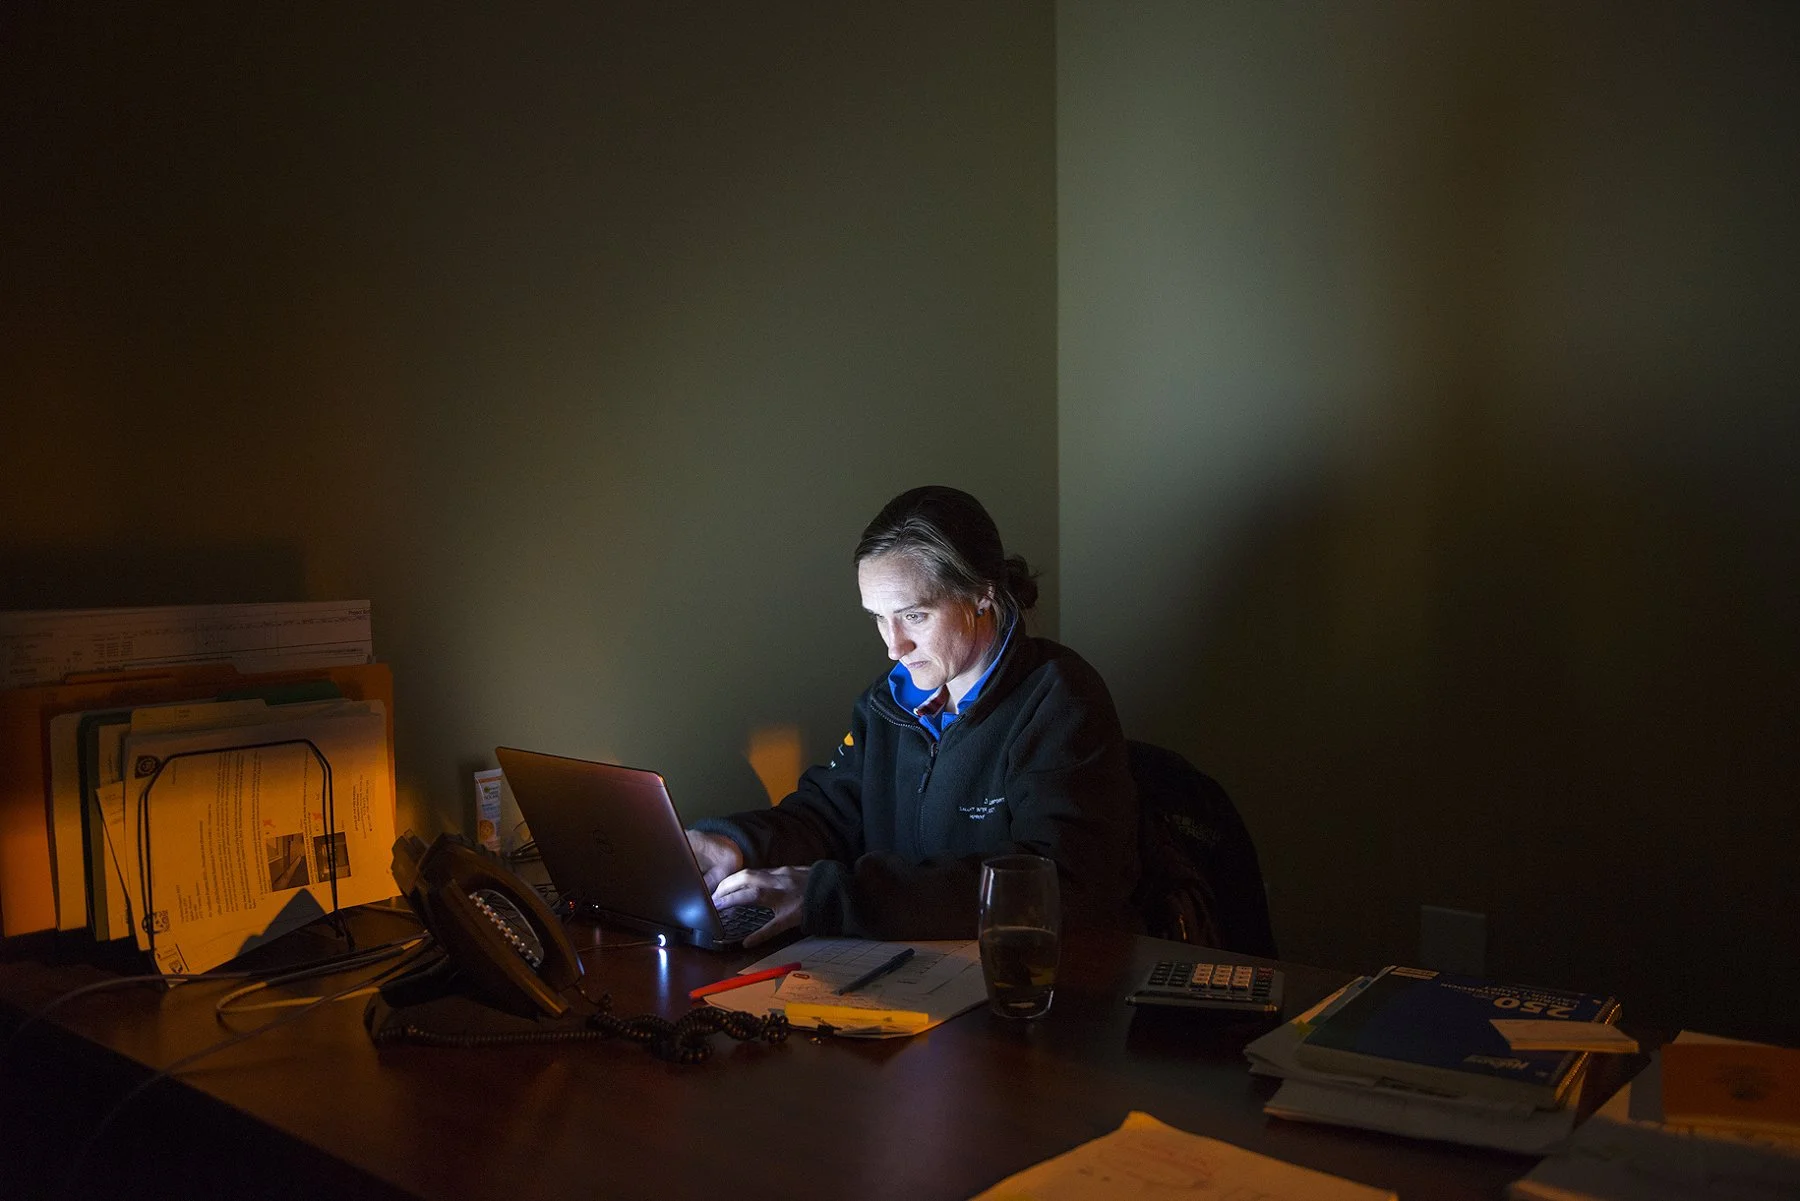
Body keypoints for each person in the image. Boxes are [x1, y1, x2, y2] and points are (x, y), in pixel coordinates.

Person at [686, 485, 1139, 948]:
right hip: (902, 971)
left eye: (914, 616)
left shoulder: (1058, 699)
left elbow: (1060, 883)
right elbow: (830, 814)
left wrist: (835, 895)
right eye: (878, 618)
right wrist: (736, 844)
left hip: (1027, 980)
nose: (892, 646)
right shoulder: (888, 702)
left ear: (981, 595)